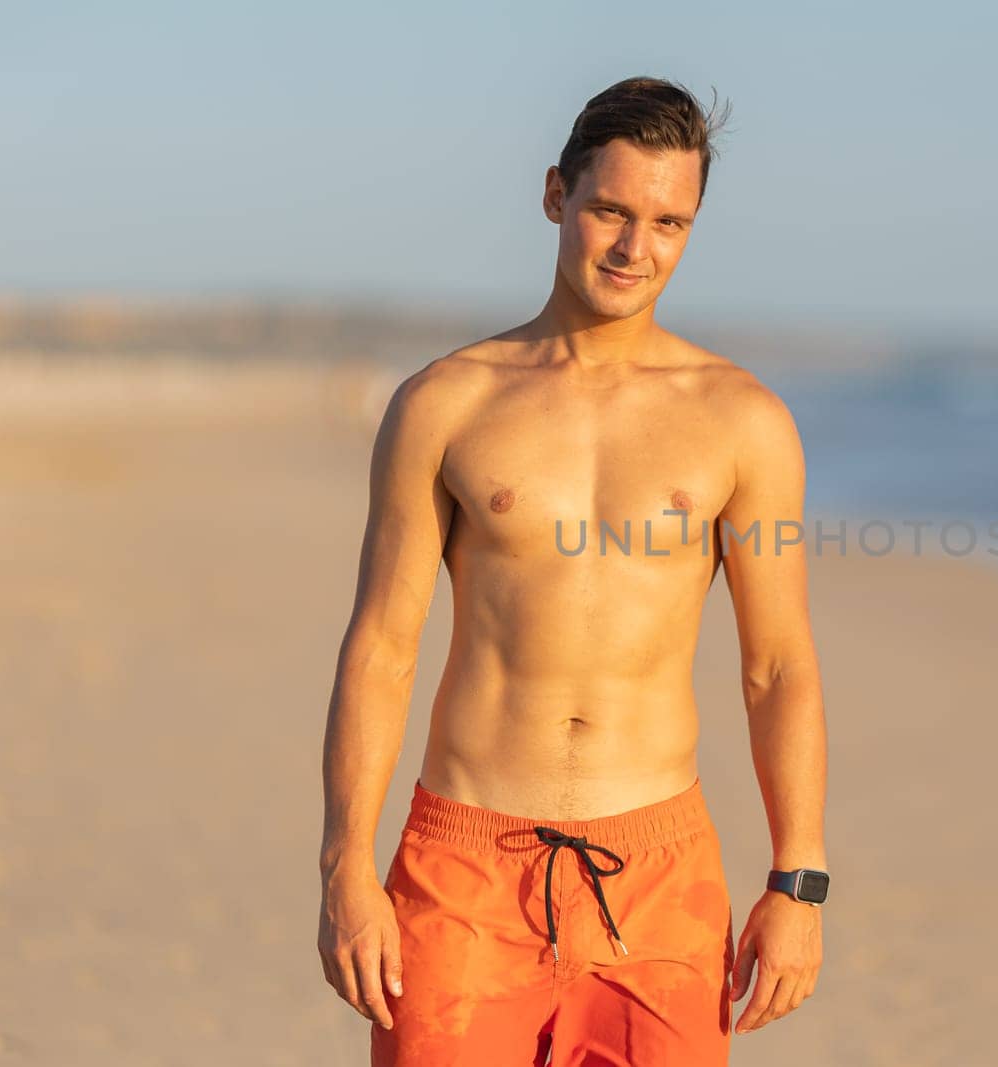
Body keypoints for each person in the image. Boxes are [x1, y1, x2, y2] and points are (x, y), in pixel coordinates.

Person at [316, 77, 829, 1066]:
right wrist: (346, 867)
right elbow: (381, 646)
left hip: (661, 878)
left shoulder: (742, 420)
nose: (636, 248)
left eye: (669, 222)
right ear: (556, 194)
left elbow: (779, 665)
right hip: (463, 867)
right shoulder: (445, 404)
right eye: (611, 211)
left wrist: (797, 880)